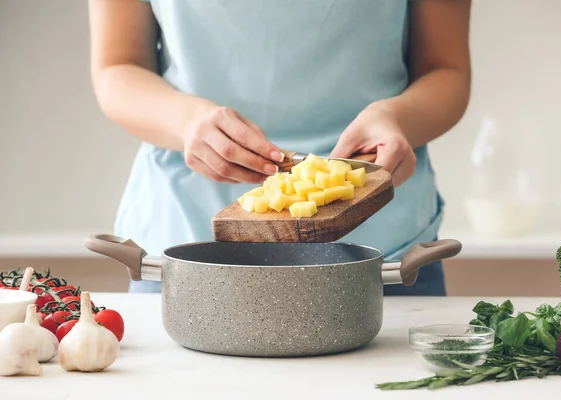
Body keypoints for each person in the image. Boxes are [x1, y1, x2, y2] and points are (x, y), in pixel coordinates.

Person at [88, 0, 471, 295]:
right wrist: (186, 121)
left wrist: (398, 118)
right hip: (183, 243)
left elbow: (446, 68)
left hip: (383, 251)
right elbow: (117, 67)